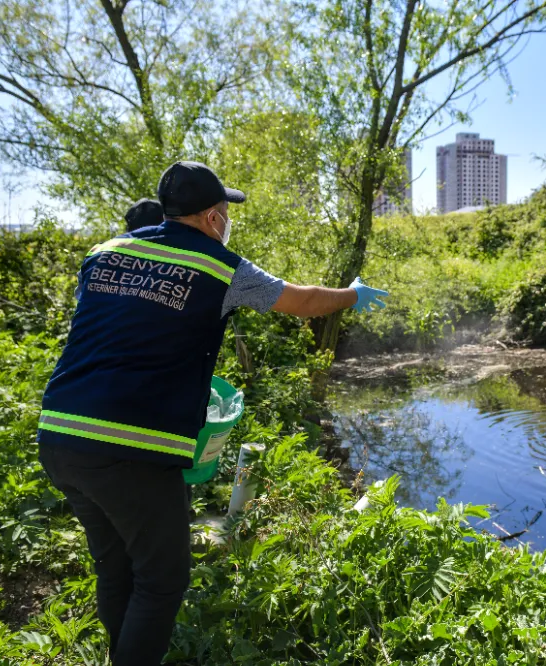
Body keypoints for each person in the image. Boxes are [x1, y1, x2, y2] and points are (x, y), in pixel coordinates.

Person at [36, 161, 388, 666]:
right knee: (162, 582)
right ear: (209, 216)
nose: (226, 219)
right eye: (223, 211)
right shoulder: (222, 267)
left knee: (116, 569)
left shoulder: (104, 253)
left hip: (60, 437)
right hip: (130, 449)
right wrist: (353, 294)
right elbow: (305, 301)